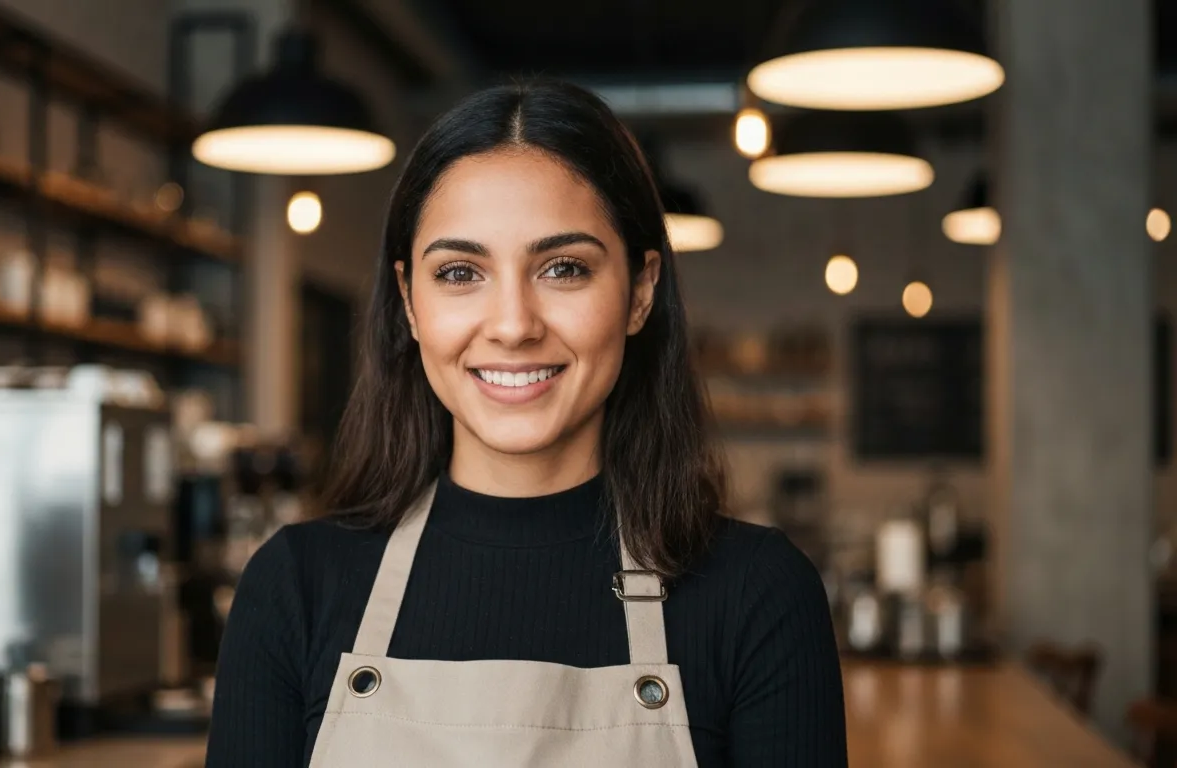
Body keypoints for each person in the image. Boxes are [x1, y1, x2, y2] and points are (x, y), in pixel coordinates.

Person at [205, 79, 847, 767]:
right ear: (409, 301)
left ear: (640, 291)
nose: (513, 326)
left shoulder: (755, 595)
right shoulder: (295, 589)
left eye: (563, 268)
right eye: (460, 273)